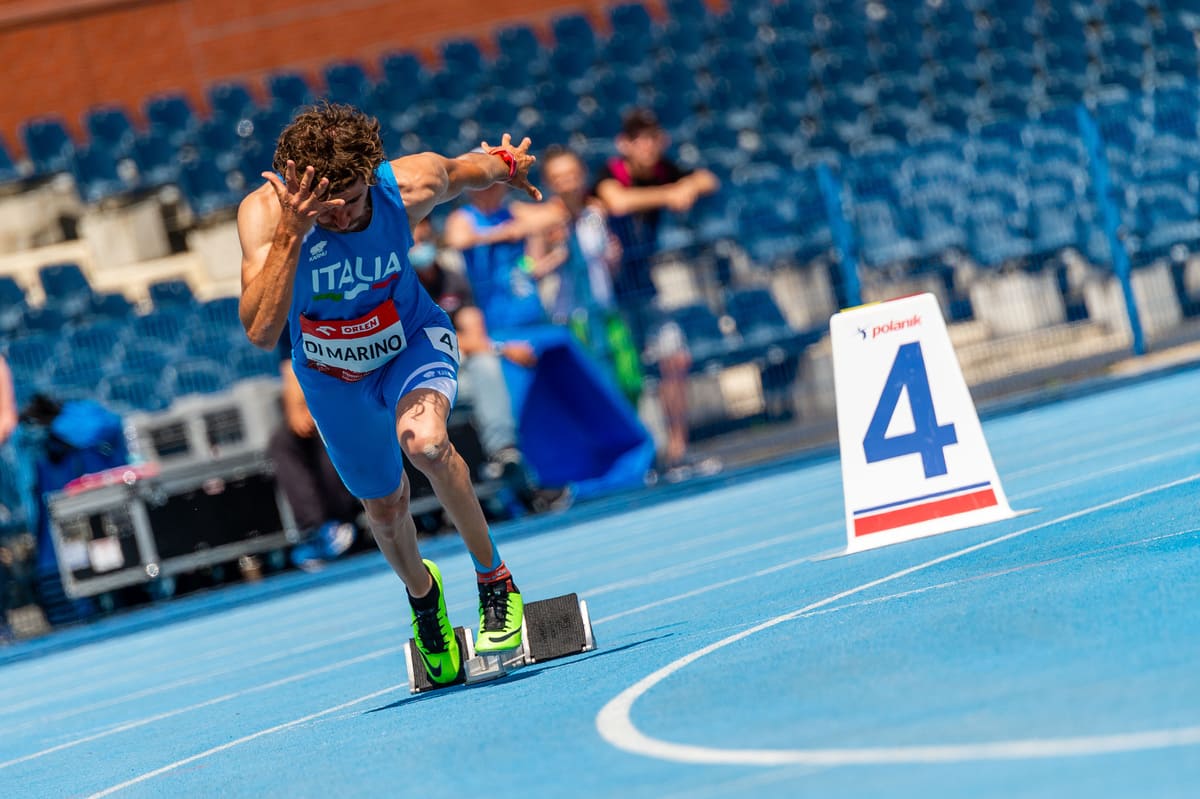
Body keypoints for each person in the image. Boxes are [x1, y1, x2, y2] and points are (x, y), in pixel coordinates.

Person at [237, 102, 541, 684]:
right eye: (326, 205)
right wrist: (291, 238)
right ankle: (425, 601)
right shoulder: (265, 216)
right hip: (331, 374)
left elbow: (470, 168)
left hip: (409, 342)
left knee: (425, 443)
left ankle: (495, 580)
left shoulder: (409, 182)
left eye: (352, 199)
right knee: (384, 505)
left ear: (371, 175)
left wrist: (507, 162)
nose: (343, 215)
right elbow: (258, 330)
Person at [592, 109, 721, 480]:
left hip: (644, 291)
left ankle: (677, 451)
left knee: (675, 359)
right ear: (624, 144)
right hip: (607, 299)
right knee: (622, 376)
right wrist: (671, 194)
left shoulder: (665, 169)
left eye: (653, 138)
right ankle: (631, 459)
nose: (648, 147)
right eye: (639, 139)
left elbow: (706, 180)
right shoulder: (610, 172)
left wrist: (689, 188)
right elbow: (616, 201)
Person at [409, 218, 571, 514]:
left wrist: (488, 348)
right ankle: (520, 485)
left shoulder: (452, 278)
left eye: (425, 239)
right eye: (414, 242)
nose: (420, 247)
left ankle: (506, 458)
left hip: (456, 373)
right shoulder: (401, 288)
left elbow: (474, 336)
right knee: (491, 366)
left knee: (488, 367)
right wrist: (498, 348)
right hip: (414, 380)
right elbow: (424, 341)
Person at [535, 146, 644, 408]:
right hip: (572, 317)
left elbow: (606, 263)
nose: (567, 181)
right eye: (559, 176)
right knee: (591, 387)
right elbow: (532, 267)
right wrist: (556, 255)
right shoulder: (544, 221)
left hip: (605, 309)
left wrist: (613, 259)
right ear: (549, 182)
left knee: (629, 379)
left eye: (572, 173)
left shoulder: (595, 214)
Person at [268, 321, 360, 572]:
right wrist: (296, 411)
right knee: (282, 440)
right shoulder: (289, 317)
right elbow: (290, 368)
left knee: (327, 426)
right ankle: (319, 528)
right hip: (318, 397)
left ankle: (345, 516)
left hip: (354, 386)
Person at [443, 178, 567, 335]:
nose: (489, 190)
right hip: (492, 314)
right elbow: (457, 240)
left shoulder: (513, 211)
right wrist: (503, 233)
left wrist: (523, 228)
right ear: (470, 189)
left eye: (495, 185)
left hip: (529, 305)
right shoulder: (464, 217)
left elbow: (556, 214)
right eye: (484, 185)